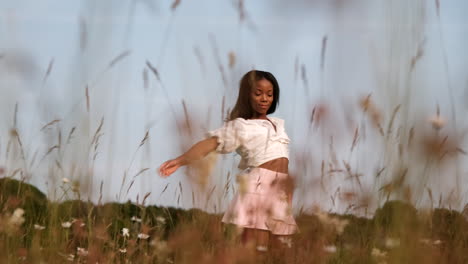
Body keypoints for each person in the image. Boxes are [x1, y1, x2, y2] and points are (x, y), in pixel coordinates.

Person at [158, 70, 297, 255]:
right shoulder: (241, 126)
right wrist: (180, 160)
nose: (264, 98)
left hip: (279, 193)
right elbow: (210, 143)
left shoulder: (278, 125)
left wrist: (288, 200)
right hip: (257, 189)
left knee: (282, 254)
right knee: (255, 254)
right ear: (247, 95)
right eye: (258, 93)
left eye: (269, 94)